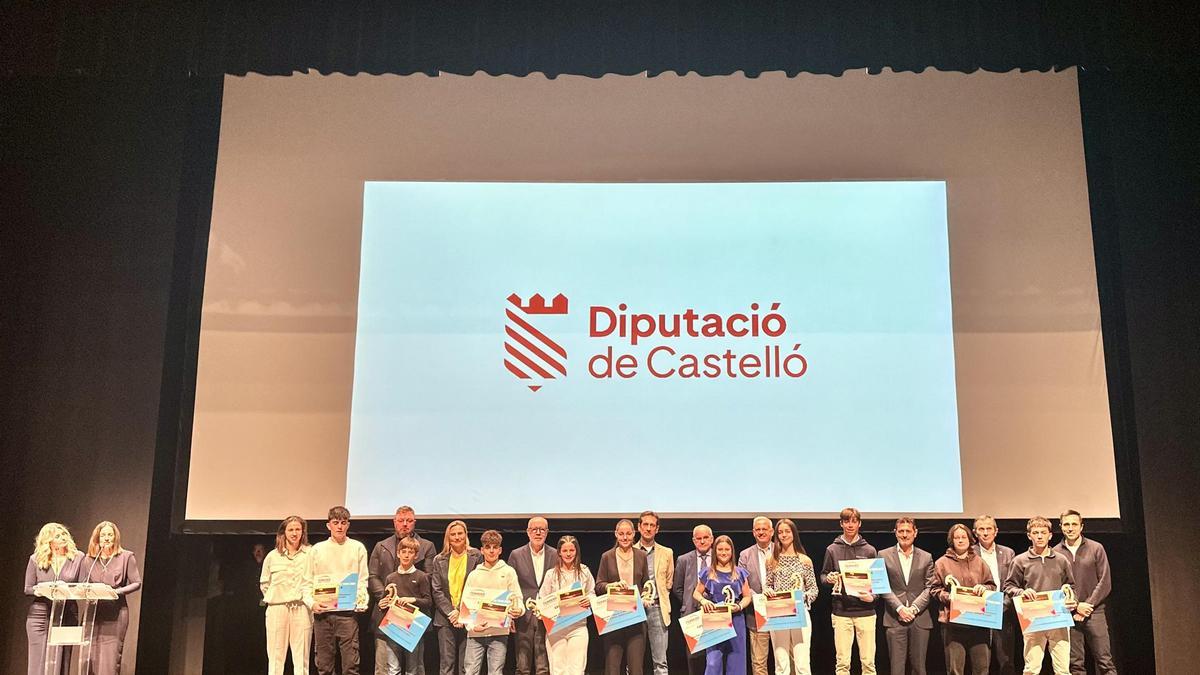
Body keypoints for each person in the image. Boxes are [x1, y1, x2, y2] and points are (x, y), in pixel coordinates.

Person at [1003, 517, 1076, 675]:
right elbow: (1008, 586)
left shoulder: (1061, 560)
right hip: (1033, 619)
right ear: (1029, 535)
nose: (1040, 536)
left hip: (1058, 619)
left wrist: (1071, 599)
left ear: (1050, 535)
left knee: (1063, 669)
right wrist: (1022, 592)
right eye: (1035, 533)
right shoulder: (1020, 561)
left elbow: (1071, 586)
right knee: (1032, 668)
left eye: (1043, 532)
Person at [370, 506, 438, 675]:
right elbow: (372, 576)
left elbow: (429, 578)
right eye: (401, 521)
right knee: (385, 666)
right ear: (394, 522)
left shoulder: (427, 546)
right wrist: (384, 597)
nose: (405, 524)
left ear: (414, 523)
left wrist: (408, 601)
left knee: (415, 666)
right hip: (386, 613)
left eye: (409, 521)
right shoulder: (381, 546)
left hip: (413, 616)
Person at [1054, 510, 1117, 675]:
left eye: (1074, 524)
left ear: (1081, 526)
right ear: (1060, 527)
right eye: (1066, 524)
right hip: (1069, 613)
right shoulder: (1055, 553)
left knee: (1105, 661)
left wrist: (1087, 605)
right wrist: (1075, 606)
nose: (1070, 528)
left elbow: (1105, 581)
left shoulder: (1096, 548)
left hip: (1094, 611)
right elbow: (1057, 585)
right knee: (1075, 665)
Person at [310, 506, 370, 675]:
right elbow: (308, 580)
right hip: (323, 613)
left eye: (343, 523)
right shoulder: (317, 549)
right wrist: (312, 603)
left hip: (347, 613)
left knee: (351, 663)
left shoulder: (357, 547)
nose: (339, 527)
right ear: (328, 525)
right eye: (335, 523)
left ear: (348, 525)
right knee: (324, 664)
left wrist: (361, 600)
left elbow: (362, 579)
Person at [820, 507, 878, 675]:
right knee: (843, 663)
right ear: (841, 524)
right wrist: (828, 579)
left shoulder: (869, 550)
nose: (850, 525)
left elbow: (878, 582)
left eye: (854, 521)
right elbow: (823, 576)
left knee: (868, 663)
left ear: (859, 524)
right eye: (846, 521)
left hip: (866, 612)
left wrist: (872, 598)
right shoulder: (832, 549)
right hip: (841, 612)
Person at [930, 524, 994, 675]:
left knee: (982, 669)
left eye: (963, 537)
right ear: (951, 540)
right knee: (955, 670)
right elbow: (934, 589)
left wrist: (985, 589)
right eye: (956, 537)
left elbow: (992, 585)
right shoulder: (942, 563)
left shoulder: (980, 562)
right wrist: (948, 597)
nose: (960, 540)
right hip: (953, 624)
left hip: (979, 623)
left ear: (970, 539)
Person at [80, 520, 142, 675]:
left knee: (110, 660)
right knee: (90, 657)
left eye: (110, 534)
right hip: (93, 614)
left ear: (115, 537)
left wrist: (117, 592)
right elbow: (82, 584)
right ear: (97, 539)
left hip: (116, 614)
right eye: (103, 535)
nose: (106, 538)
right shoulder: (89, 560)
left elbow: (136, 582)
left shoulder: (126, 557)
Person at [24, 522, 84, 675]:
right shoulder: (35, 559)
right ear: (48, 541)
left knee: (61, 658)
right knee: (38, 661)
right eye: (58, 536)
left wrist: (66, 589)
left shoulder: (78, 557)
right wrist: (43, 590)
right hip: (39, 615)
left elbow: (83, 585)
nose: (63, 537)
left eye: (64, 534)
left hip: (67, 614)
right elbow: (28, 588)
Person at [461, 530, 524, 675]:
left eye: (494, 547)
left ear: (500, 550)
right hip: (475, 633)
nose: (491, 551)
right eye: (488, 547)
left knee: (496, 672)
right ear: (482, 550)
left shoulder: (508, 572)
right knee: (470, 671)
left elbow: (517, 598)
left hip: (499, 632)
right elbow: (465, 604)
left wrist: (518, 610)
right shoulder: (474, 574)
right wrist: (472, 626)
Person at [763, 518, 819, 675]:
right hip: (778, 614)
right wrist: (767, 591)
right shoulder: (771, 560)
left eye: (787, 531)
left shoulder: (805, 560)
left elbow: (813, 589)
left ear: (794, 533)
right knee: (781, 663)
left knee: (802, 663)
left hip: (799, 613)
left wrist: (802, 598)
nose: (783, 535)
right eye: (780, 532)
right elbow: (767, 585)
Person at [594, 518, 650, 675]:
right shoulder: (607, 556)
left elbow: (646, 583)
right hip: (613, 618)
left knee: (636, 668)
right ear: (616, 535)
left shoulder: (641, 556)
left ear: (634, 534)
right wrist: (610, 586)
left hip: (636, 617)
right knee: (612, 668)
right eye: (621, 534)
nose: (625, 538)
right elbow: (598, 586)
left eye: (628, 534)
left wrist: (646, 596)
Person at [880, 518, 935, 675]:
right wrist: (900, 608)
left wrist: (914, 608)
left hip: (920, 618)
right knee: (896, 669)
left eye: (908, 531)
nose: (904, 535)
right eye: (901, 531)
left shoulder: (926, 557)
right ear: (895, 533)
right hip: (894, 618)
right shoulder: (882, 555)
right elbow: (882, 586)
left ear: (915, 533)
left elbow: (929, 587)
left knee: (919, 668)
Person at [260, 515, 314, 675]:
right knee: (276, 657)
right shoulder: (272, 556)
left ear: (303, 532)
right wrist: (277, 598)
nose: (294, 533)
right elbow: (265, 583)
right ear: (283, 532)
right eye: (291, 529)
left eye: (298, 529)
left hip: (301, 608)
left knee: (301, 657)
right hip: (278, 609)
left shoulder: (311, 553)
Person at [693, 534, 752, 675]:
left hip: (736, 619)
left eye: (727, 549)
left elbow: (747, 596)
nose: (723, 553)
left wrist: (739, 606)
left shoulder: (739, 572)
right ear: (715, 551)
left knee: (736, 661)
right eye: (720, 549)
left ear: (732, 551)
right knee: (713, 662)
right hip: (714, 619)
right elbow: (696, 593)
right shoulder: (707, 572)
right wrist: (704, 601)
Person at [429, 520, 483, 675]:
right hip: (446, 618)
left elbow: (477, 588)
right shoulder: (439, 559)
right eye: (453, 534)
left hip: (469, 617)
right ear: (448, 537)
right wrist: (452, 612)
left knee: (467, 666)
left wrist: (461, 612)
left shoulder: (476, 556)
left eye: (460, 533)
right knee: (447, 665)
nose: (457, 537)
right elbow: (436, 589)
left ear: (466, 535)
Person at [537, 535, 595, 675]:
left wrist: (589, 600)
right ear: (559, 552)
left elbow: (592, 593)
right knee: (558, 670)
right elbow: (542, 599)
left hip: (578, 628)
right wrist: (542, 610)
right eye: (565, 551)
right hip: (556, 628)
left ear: (577, 552)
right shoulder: (551, 574)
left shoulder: (584, 571)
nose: (568, 554)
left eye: (572, 550)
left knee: (576, 669)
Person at [509, 516, 558, 675]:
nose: (538, 533)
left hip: (548, 614)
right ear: (528, 532)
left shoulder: (556, 554)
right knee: (522, 666)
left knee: (543, 666)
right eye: (534, 529)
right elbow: (510, 587)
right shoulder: (516, 555)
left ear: (547, 532)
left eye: (542, 529)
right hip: (524, 616)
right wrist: (510, 614)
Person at [974, 516, 1016, 675]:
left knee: (1006, 662)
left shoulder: (1008, 553)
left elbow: (1013, 582)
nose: (985, 533)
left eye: (989, 529)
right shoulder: (970, 552)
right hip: (980, 612)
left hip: (1004, 612)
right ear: (975, 533)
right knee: (980, 663)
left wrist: (1003, 605)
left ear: (996, 531)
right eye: (981, 529)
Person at [636, 510, 674, 675]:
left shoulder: (667, 552)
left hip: (658, 609)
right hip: (634, 609)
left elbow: (668, 582)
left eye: (652, 525)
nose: (649, 528)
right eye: (645, 524)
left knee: (660, 662)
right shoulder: (629, 550)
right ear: (639, 527)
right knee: (633, 662)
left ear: (657, 529)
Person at [673, 524, 715, 675]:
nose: (702, 541)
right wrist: (689, 602)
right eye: (698, 538)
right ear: (693, 540)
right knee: (694, 659)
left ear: (712, 539)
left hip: (716, 613)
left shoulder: (720, 557)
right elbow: (677, 588)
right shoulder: (683, 560)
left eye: (705, 538)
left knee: (714, 658)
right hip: (691, 614)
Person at [737, 516, 774, 675]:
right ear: (753, 532)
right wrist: (758, 598)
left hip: (782, 612)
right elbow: (741, 584)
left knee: (785, 659)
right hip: (757, 615)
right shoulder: (745, 555)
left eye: (764, 529)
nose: (761, 532)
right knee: (759, 662)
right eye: (757, 529)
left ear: (771, 531)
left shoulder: (782, 550)